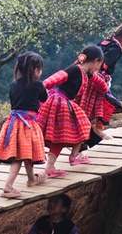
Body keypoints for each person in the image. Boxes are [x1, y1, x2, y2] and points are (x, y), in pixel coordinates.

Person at [37, 45, 108, 177]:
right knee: (77, 129)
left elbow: (102, 86)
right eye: (100, 64)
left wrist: (104, 87)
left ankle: (68, 159)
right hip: (60, 103)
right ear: (96, 61)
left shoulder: (87, 74)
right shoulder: (75, 69)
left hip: (64, 103)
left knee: (81, 128)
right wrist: (42, 86)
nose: (99, 68)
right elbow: (59, 76)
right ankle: (68, 159)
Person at [0, 52, 49, 199]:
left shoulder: (14, 85)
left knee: (25, 153)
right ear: (36, 70)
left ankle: (31, 179)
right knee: (18, 157)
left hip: (13, 123)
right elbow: (45, 98)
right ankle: (8, 187)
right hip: (27, 125)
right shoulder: (38, 85)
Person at [77, 23, 122, 142]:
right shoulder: (117, 49)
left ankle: (95, 129)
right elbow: (102, 63)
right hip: (98, 80)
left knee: (92, 104)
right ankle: (89, 132)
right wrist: (96, 77)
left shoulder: (104, 42)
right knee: (102, 104)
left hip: (90, 76)